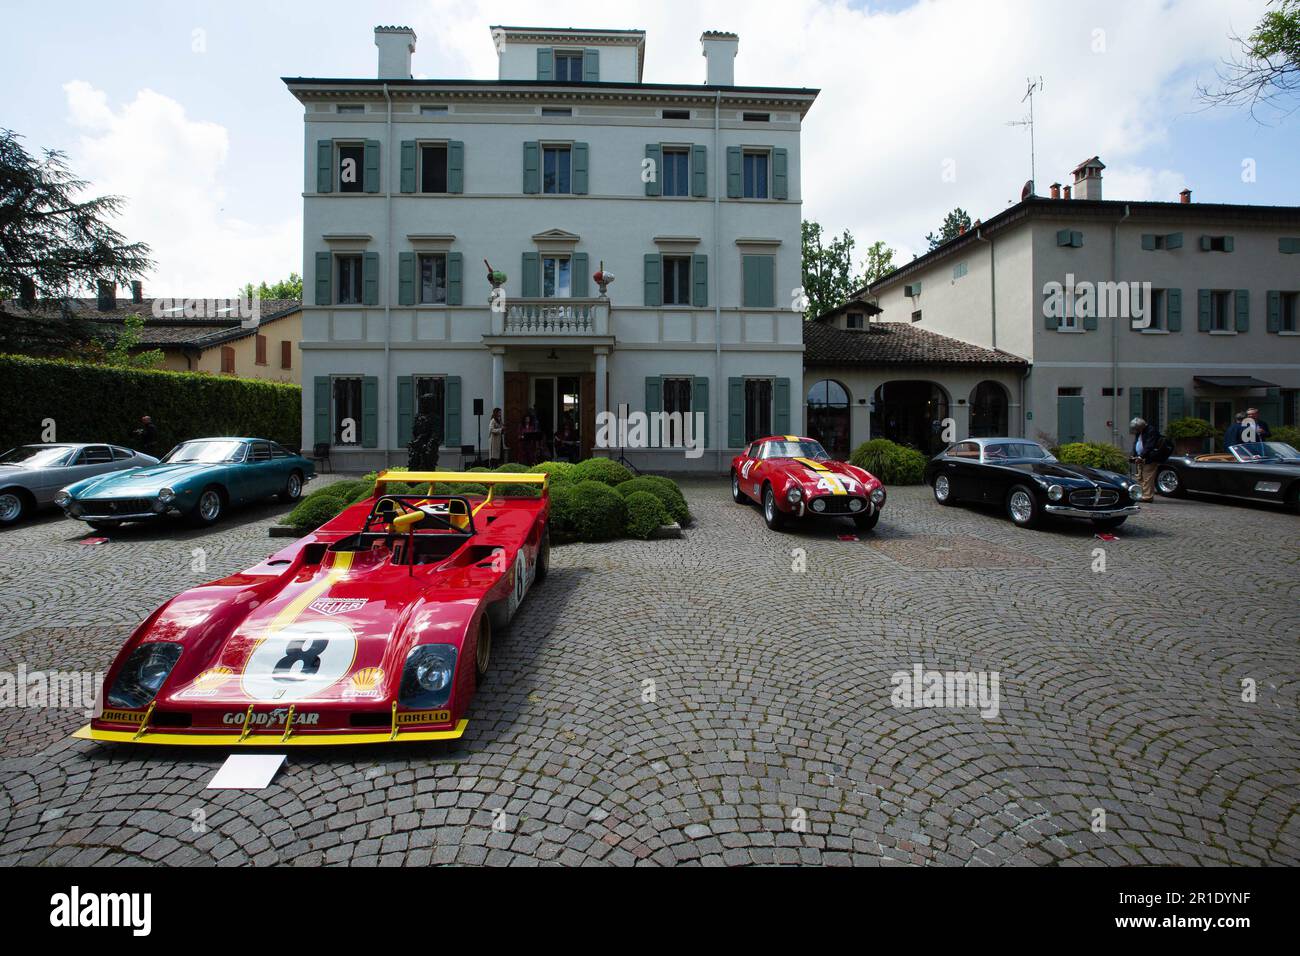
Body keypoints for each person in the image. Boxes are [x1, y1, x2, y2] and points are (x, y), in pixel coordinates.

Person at [1130, 416, 1161, 502]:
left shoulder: (1151, 431)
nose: (1136, 431)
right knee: (1140, 477)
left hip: (1149, 458)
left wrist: (1141, 456)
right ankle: (1141, 494)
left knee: (1148, 477)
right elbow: (1136, 443)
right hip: (1140, 457)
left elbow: (1149, 446)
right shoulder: (1140, 432)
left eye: (1137, 429)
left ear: (1141, 426)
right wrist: (1134, 454)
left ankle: (1147, 496)